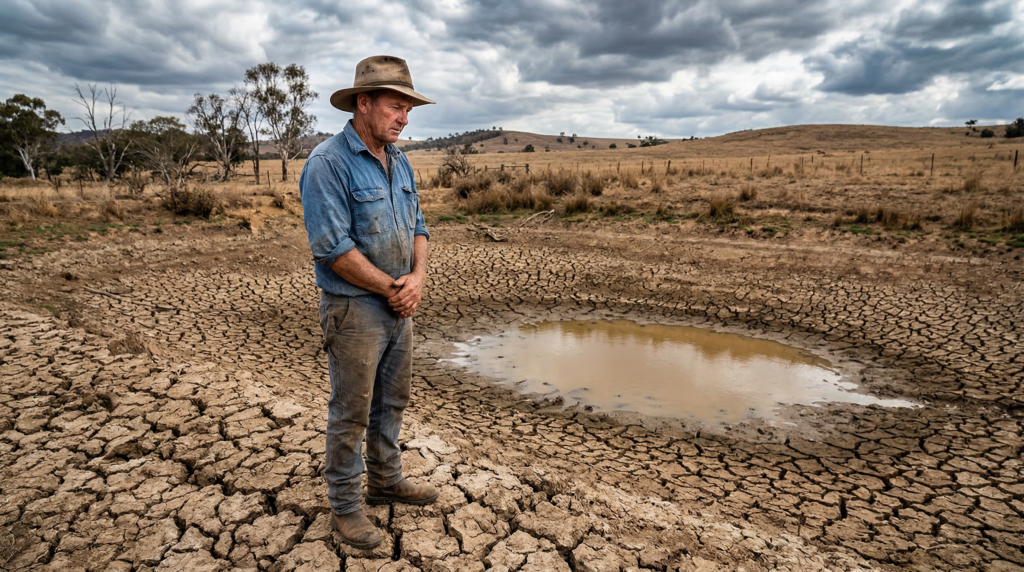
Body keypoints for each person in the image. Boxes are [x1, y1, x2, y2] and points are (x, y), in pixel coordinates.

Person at [299, 55, 437, 549]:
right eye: (395, 107)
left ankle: (385, 479)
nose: (403, 117)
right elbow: (333, 249)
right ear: (364, 103)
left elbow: (419, 228)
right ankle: (345, 507)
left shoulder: (399, 161)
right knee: (351, 409)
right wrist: (394, 288)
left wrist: (416, 279)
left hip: (400, 307)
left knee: (391, 402)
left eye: (408, 109)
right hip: (355, 310)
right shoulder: (328, 163)